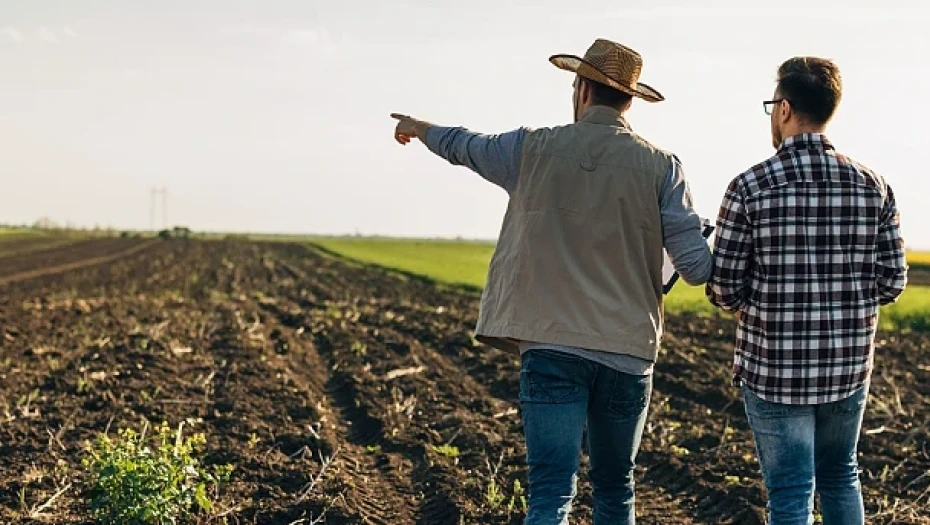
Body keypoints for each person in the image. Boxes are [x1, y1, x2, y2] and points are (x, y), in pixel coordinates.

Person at [391, 38, 712, 525]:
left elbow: (464, 145)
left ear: (582, 89)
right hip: (627, 351)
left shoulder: (529, 148)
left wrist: (418, 127)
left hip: (551, 346)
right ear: (628, 100)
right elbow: (696, 268)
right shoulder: (663, 167)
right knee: (615, 490)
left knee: (550, 494)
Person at [706, 57, 908, 525]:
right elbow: (893, 282)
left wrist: (748, 303)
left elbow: (724, 288)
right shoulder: (873, 186)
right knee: (841, 475)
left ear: (783, 108)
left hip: (774, 370)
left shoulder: (748, 187)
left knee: (790, 493)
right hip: (847, 368)